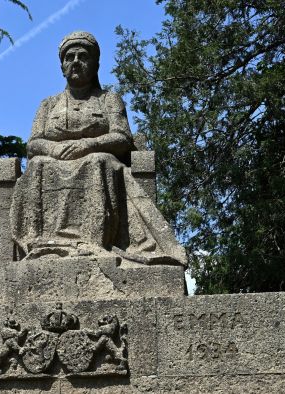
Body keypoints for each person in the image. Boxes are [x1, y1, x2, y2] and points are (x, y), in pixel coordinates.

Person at [10, 31, 186, 266]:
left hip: (100, 160)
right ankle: (39, 243)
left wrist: (88, 145)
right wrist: (52, 150)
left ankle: (92, 242)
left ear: (95, 64)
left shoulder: (109, 100)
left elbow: (122, 137)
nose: (75, 62)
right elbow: (33, 144)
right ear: (61, 66)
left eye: (83, 56)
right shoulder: (48, 104)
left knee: (98, 161)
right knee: (38, 164)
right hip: (53, 160)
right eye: (69, 57)